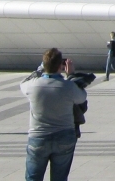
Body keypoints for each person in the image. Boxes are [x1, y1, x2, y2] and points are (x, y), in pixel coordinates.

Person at [21, 48, 88, 181]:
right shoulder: (68, 86)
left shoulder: (32, 85)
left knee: (33, 178)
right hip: (64, 135)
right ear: (60, 66)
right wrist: (71, 75)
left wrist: (40, 69)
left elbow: (23, 83)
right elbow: (82, 97)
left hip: (38, 136)